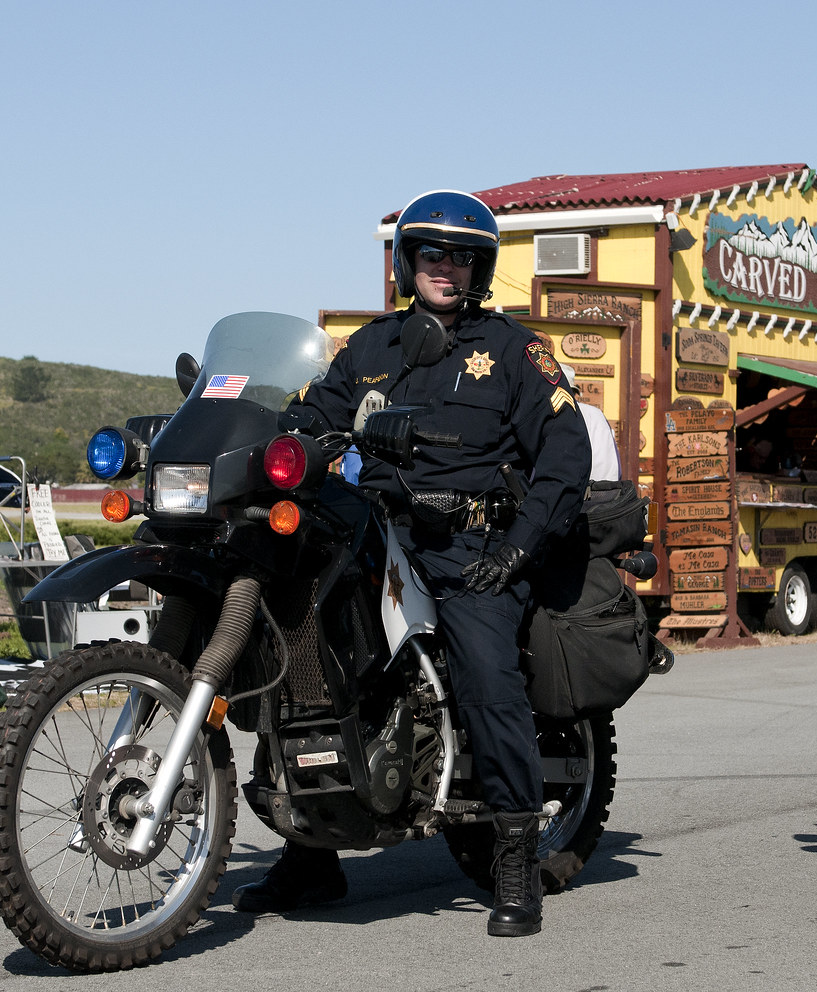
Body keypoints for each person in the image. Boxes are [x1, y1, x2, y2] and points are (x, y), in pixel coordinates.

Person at [232, 190, 592, 937]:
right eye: (433, 253)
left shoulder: (515, 354)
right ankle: (312, 849)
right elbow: (316, 410)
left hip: (470, 548)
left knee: (487, 675)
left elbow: (566, 454)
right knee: (298, 656)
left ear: (480, 269)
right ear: (407, 262)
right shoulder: (369, 348)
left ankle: (515, 855)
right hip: (373, 532)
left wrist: (520, 546)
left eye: (462, 257)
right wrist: (281, 427)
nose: (447, 268)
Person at [558, 363, 621, 481]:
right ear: (575, 393)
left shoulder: (558, 414)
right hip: (609, 491)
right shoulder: (597, 414)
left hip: (581, 492)